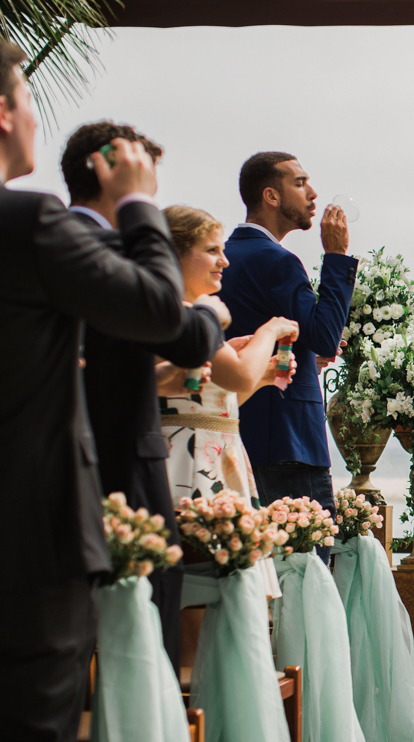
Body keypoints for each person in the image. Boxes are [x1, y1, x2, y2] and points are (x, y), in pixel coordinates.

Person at [0, 42, 185, 742]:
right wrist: (141, 203)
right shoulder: (30, 223)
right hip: (31, 544)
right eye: (26, 99)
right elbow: (156, 307)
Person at [61, 121, 228, 674]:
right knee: (145, 631)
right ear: (115, 170)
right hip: (124, 468)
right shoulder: (112, 248)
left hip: (49, 471)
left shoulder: (46, 239)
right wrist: (209, 314)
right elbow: (178, 330)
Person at [216, 152, 357, 562]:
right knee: (306, 571)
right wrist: (336, 256)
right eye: (300, 182)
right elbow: (326, 336)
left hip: (235, 437)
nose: (313, 194)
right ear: (271, 196)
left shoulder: (222, 259)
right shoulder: (278, 261)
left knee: (255, 572)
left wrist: (304, 358)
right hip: (291, 444)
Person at [158, 205, 299, 598]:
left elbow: (216, 402)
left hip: (214, 454)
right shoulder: (182, 316)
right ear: (175, 253)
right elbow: (236, 374)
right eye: (212, 250)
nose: (225, 261)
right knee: (201, 597)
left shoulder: (187, 315)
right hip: (189, 465)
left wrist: (265, 377)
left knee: (220, 597)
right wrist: (269, 330)